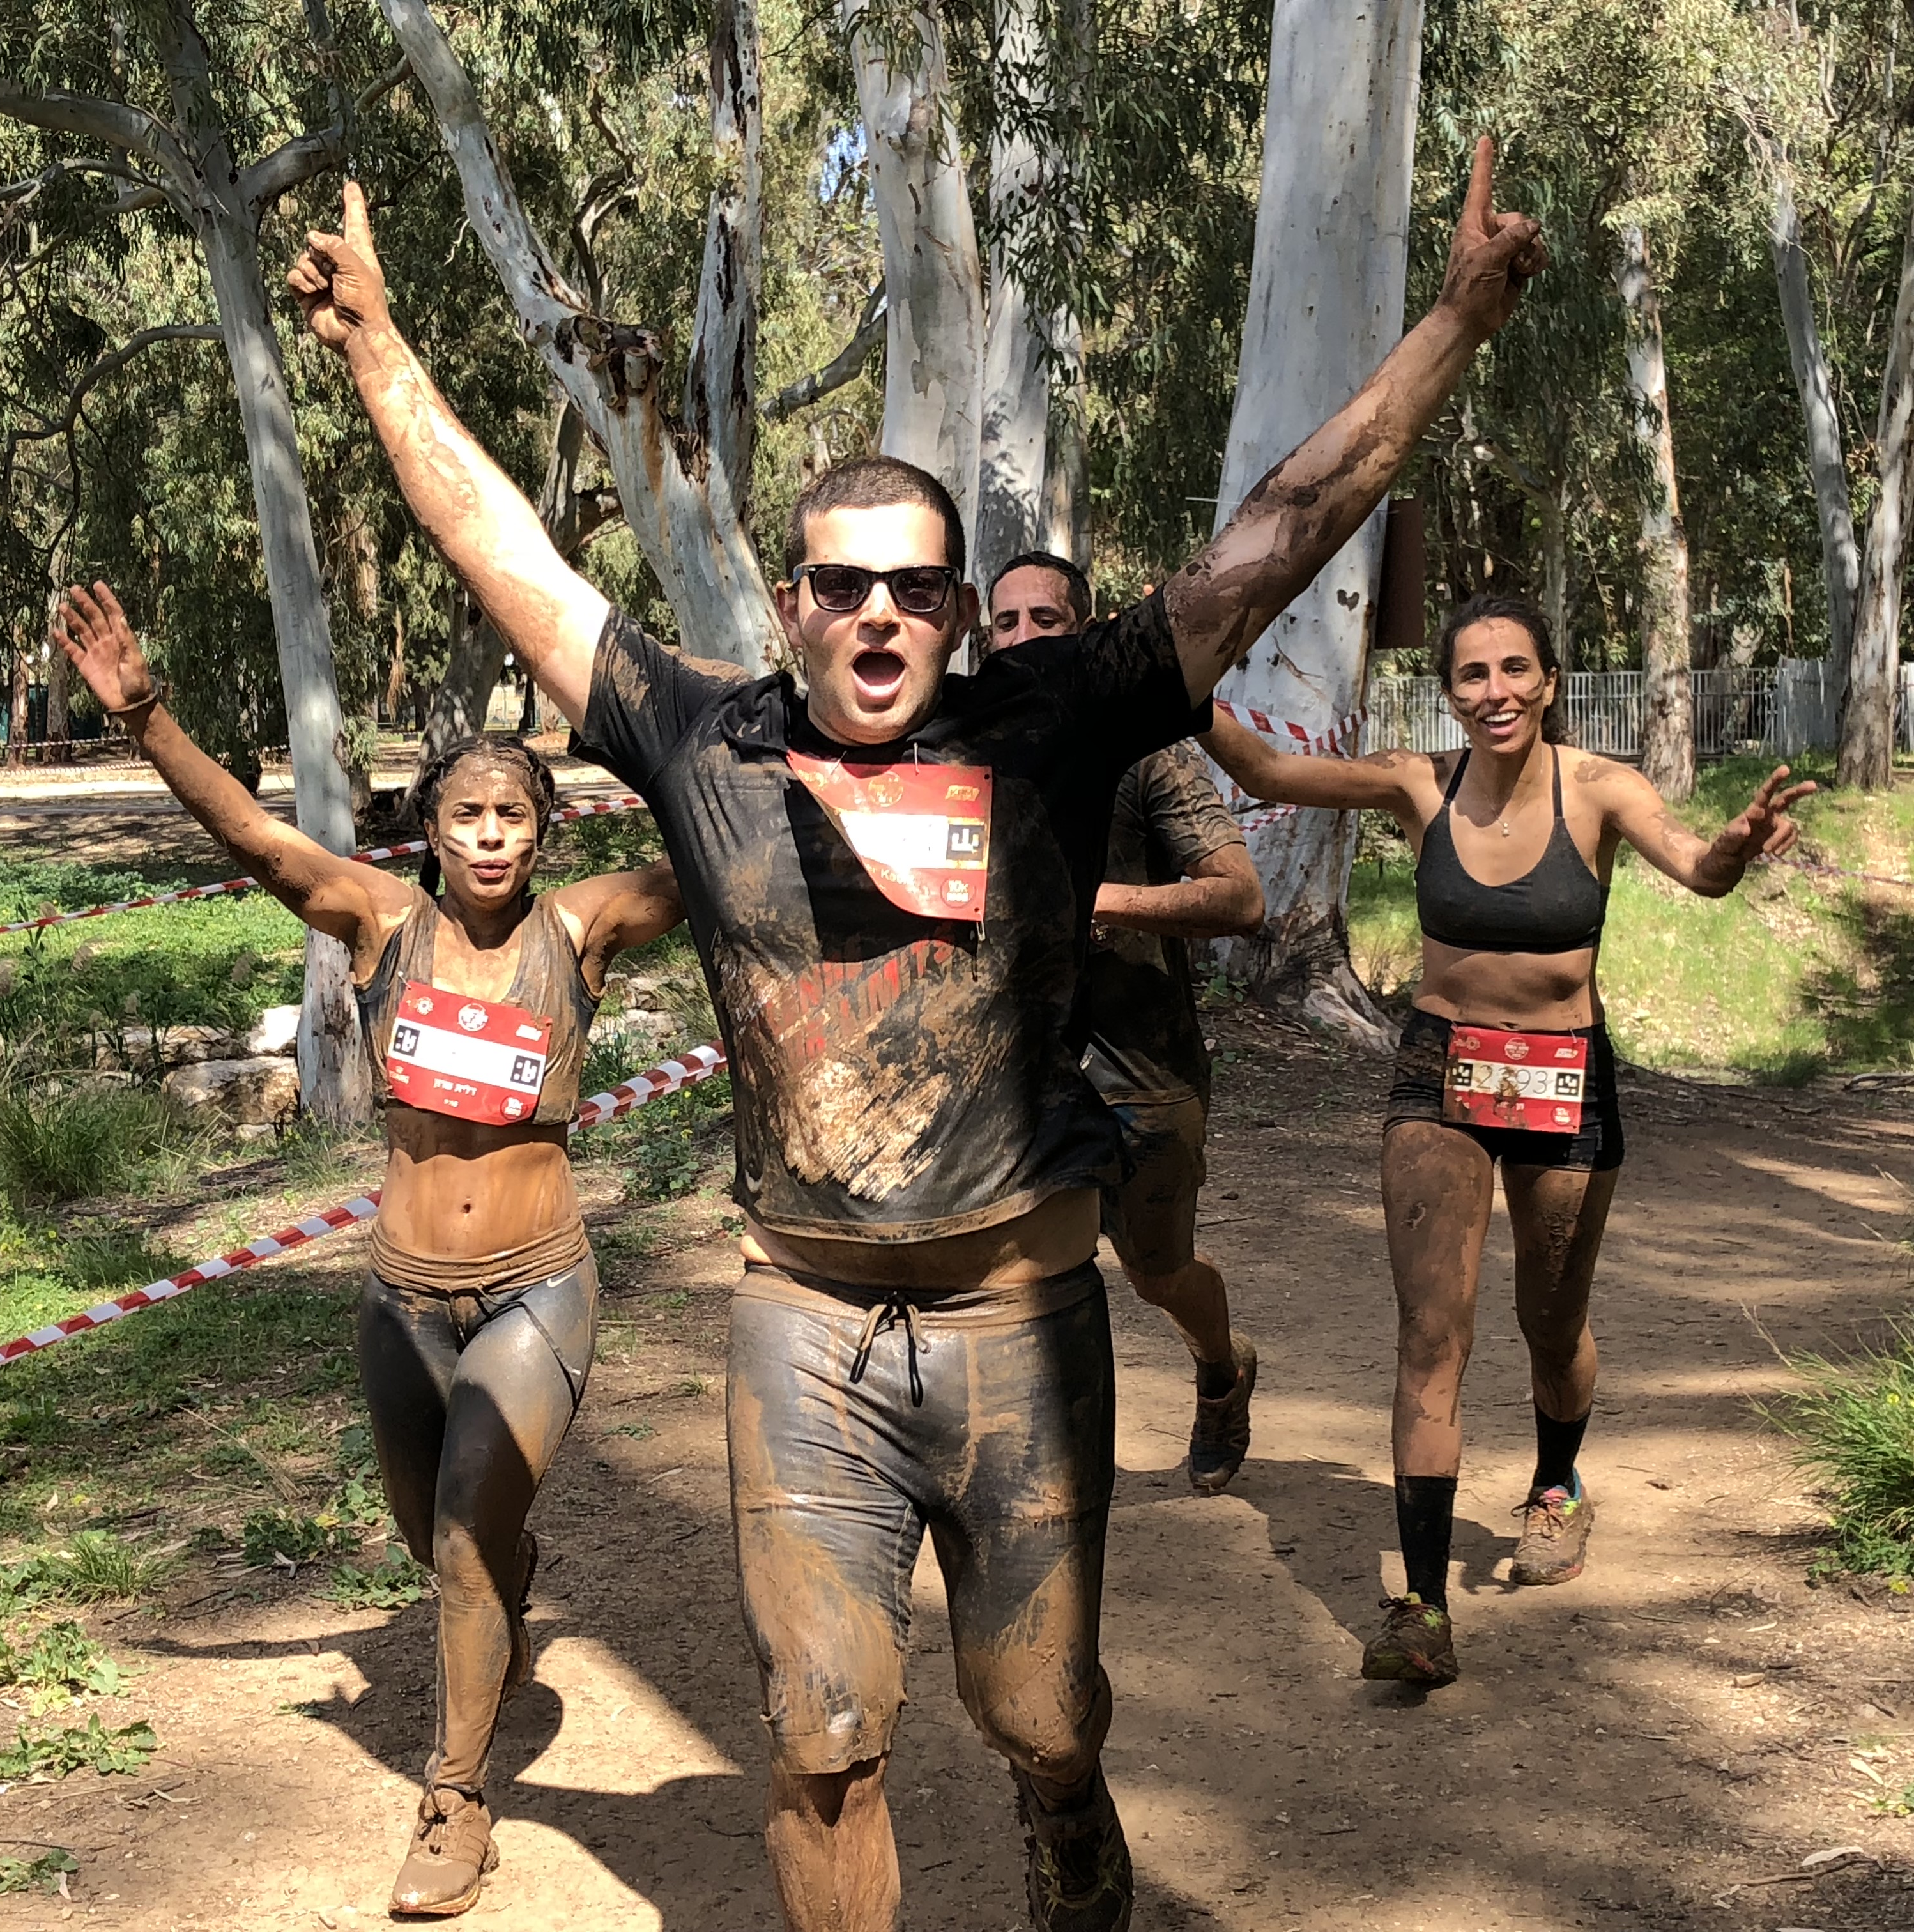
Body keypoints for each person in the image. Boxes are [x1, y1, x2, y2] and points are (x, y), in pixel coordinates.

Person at [290, 135, 1544, 1932]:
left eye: (914, 587)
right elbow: (501, 547)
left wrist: (1447, 328)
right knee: (821, 1742)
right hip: (800, 1327)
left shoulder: (1049, 719)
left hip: (1022, 1317)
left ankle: (1063, 1803)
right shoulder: (700, 734)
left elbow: (1279, 535)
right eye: (841, 584)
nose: (877, 612)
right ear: (790, 601)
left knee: (1034, 1709)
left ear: (958, 615)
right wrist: (379, 358)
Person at [54, 583, 684, 1917]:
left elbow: (716, 861)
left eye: (515, 814)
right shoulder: (381, 924)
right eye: (469, 814)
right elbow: (251, 834)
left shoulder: (583, 930)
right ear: (434, 831)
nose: (494, 835)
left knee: (458, 1541)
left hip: (536, 1289)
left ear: (543, 829)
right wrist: (149, 717)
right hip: (400, 1300)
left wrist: (758, 741)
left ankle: (456, 1802)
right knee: (434, 1540)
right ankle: (510, 1584)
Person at [1200, 590, 1813, 1687]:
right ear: (1450, 691)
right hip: (1442, 1073)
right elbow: (1267, 775)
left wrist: (1736, 845)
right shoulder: (1414, 782)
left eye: (1516, 670)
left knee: (1550, 1317)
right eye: (1473, 675)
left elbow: (1701, 868)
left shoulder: (1602, 788)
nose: (1496, 693)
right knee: (1432, 1330)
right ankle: (1422, 1609)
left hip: (1566, 1085)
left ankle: (1557, 1485)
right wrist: (1176, 685)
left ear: (1550, 681)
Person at [987, 551, 1265, 1492]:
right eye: (1006, 622)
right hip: (1026, 1068)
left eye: (1046, 621)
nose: (1024, 639)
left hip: (1144, 1068)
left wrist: (1095, 900)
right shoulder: (970, 751)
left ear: (1087, 632)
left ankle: (1223, 1371)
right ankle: (1047, 1462)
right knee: (1024, 1264)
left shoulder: (1147, 754)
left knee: (1156, 1271)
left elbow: (1240, 896)